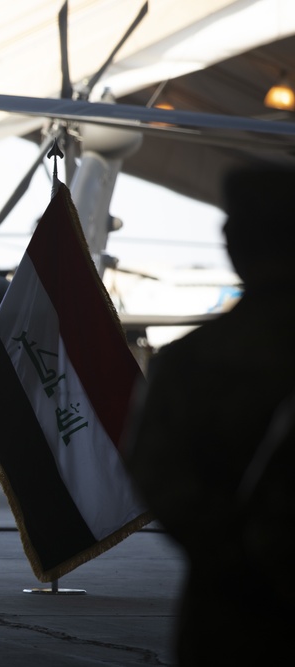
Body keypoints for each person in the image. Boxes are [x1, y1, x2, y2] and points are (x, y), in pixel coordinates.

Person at [124, 166, 295, 665]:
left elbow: (160, 479)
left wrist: (243, 562)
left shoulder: (194, 361)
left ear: (235, 243)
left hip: (234, 620)